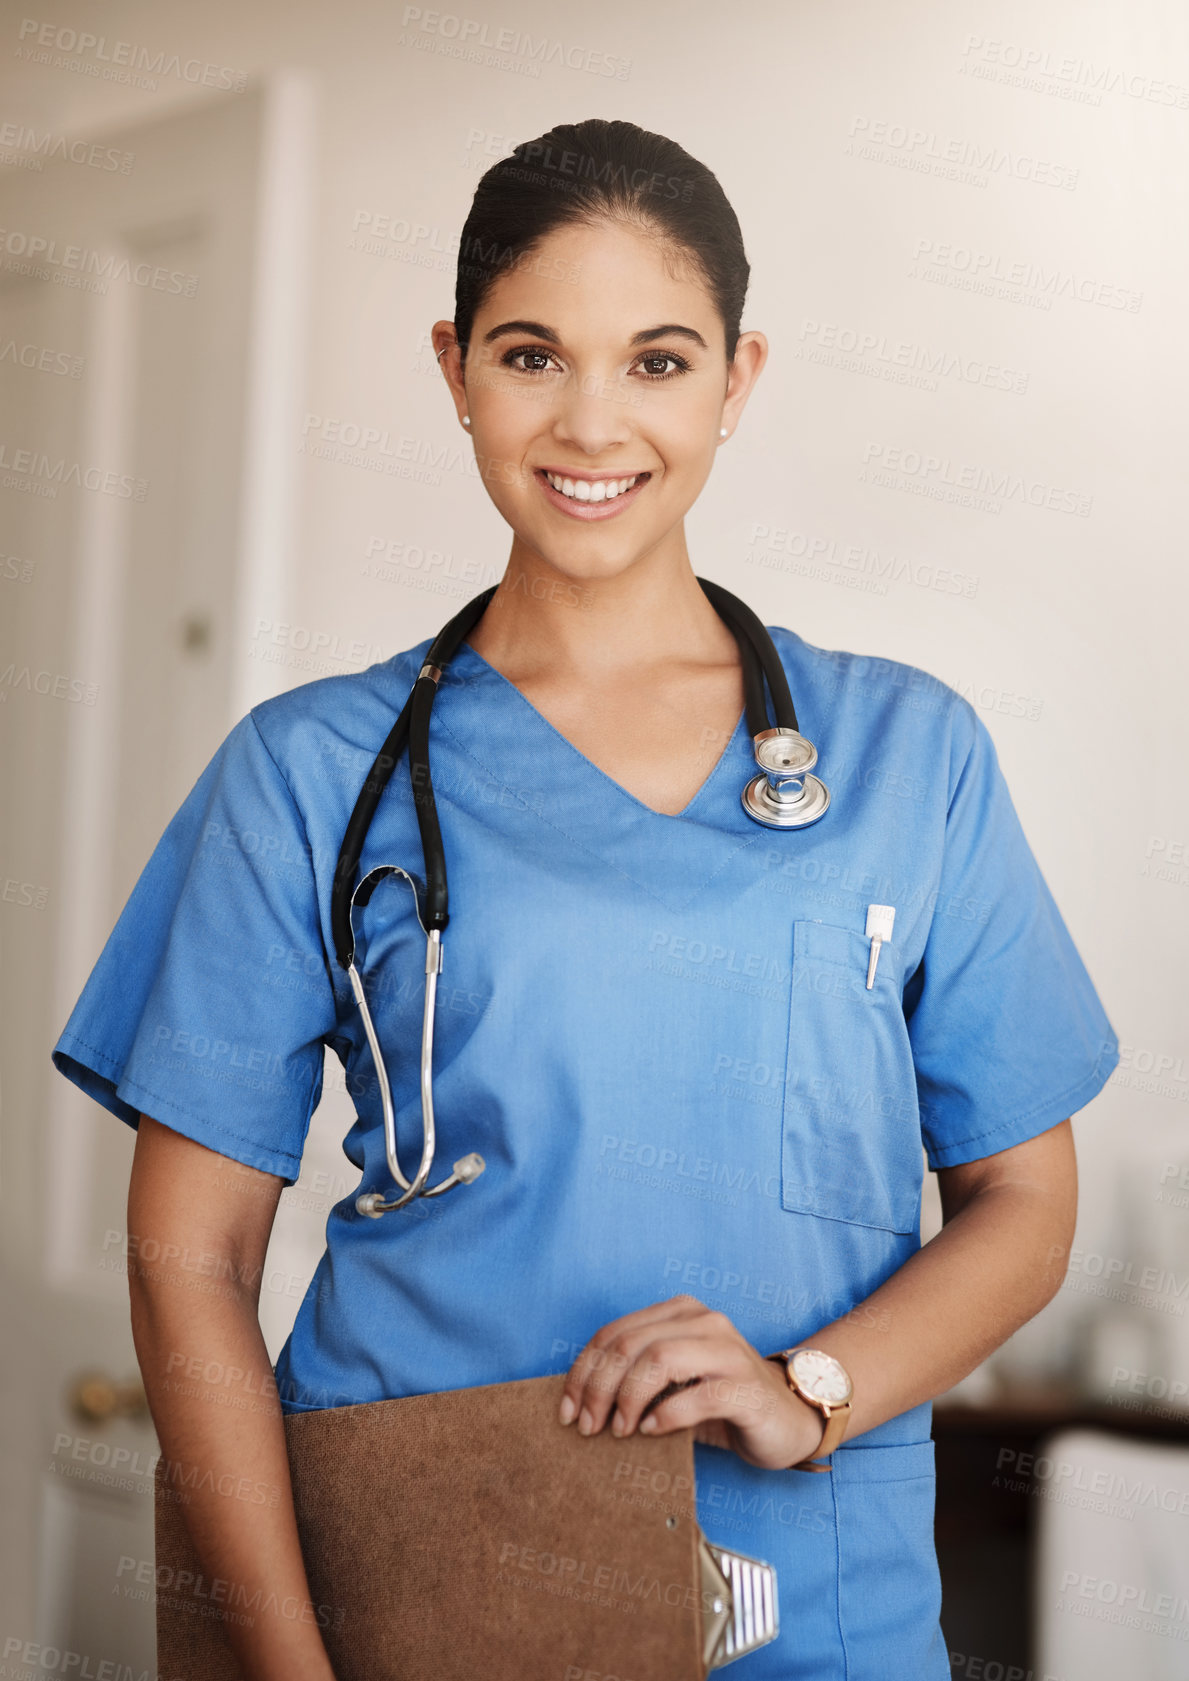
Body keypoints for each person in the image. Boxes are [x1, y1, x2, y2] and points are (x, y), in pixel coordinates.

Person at [51, 118, 1118, 1679]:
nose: (593, 420)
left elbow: (1023, 1204)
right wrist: (288, 1665)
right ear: (455, 366)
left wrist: (809, 1382)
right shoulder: (310, 770)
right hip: (422, 1568)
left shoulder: (909, 755)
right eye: (534, 353)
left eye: (660, 361)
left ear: (740, 379)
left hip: (817, 1600)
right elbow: (187, 1261)